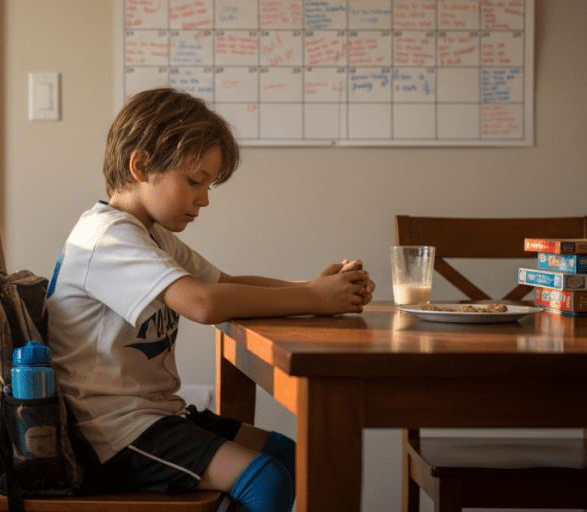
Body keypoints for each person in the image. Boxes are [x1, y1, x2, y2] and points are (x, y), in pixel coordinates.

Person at [45, 87, 375, 512]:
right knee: (267, 480)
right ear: (141, 165)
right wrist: (313, 296)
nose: (204, 198)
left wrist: (313, 291)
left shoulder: (149, 233)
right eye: (195, 181)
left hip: (154, 416)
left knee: (287, 455)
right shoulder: (105, 239)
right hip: (108, 436)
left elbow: (226, 282)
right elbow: (203, 303)